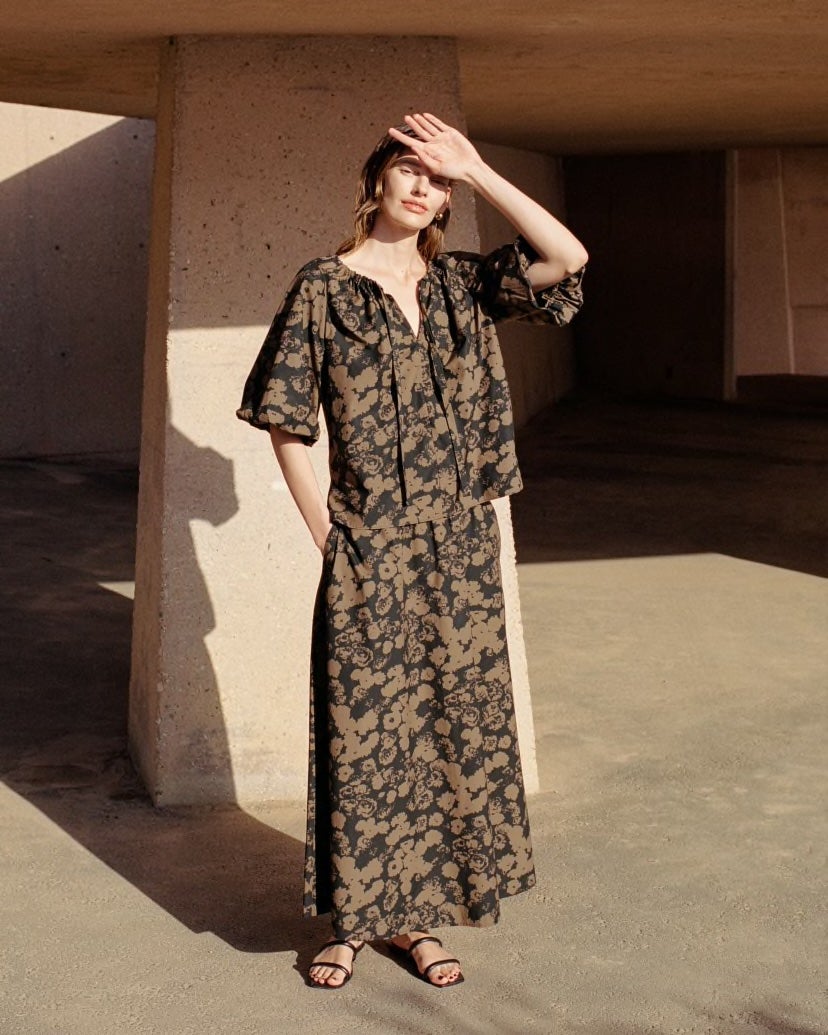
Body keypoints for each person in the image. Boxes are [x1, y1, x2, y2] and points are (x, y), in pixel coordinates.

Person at [237, 112, 588, 989]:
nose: (424, 187)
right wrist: (326, 533)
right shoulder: (323, 287)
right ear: (377, 181)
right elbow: (286, 422)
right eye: (411, 170)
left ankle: (416, 921)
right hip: (371, 544)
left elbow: (568, 257)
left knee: (449, 729)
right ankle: (354, 922)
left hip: (461, 544)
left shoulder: (464, 284)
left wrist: (480, 169)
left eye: (439, 179)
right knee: (366, 731)